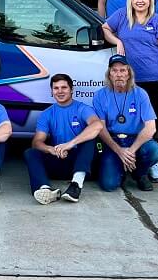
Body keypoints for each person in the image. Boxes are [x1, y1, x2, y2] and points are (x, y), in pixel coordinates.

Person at [102, 0, 158, 183]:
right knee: (134, 120)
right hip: (129, 80)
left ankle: (153, 163)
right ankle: (129, 158)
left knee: (155, 121)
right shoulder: (122, 16)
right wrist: (118, 41)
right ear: (131, 0)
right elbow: (105, 28)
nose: (140, 1)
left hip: (154, 78)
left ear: (150, 0)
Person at [23, 73, 102, 204]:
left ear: (71, 90)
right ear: (52, 92)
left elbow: (97, 125)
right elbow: (37, 142)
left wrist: (70, 144)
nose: (60, 91)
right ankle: (45, 189)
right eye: (56, 88)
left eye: (64, 87)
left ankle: (76, 185)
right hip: (61, 158)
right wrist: (51, 149)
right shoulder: (47, 114)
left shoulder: (82, 108)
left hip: (83, 163)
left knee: (89, 138)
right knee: (30, 152)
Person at [93, 54, 158, 192]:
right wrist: (119, 151)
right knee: (109, 185)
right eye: (114, 70)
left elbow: (150, 128)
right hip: (112, 141)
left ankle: (140, 174)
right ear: (109, 74)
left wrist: (130, 152)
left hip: (135, 140)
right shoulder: (100, 95)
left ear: (129, 73)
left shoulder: (140, 94)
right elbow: (100, 128)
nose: (118, 74)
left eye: (122, 70)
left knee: (155, 150)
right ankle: (121, 171)